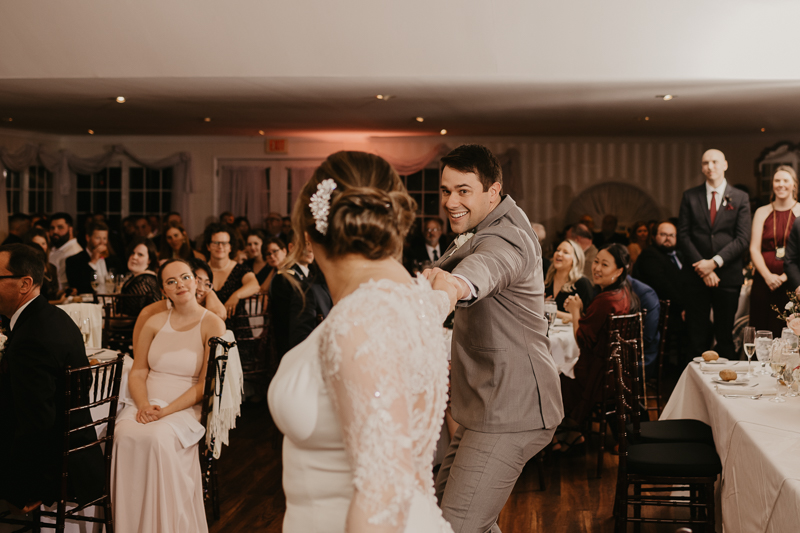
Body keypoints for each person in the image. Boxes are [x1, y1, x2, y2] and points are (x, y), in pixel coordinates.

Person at [268, 150, 455, 532]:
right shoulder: (413, 301)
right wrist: (446, 294)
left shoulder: (361, 320)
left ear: (308, 233)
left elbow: (383, 490)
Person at [426, 144, 563, 533]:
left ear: (493, 190)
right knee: (442, 518)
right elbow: (446, 267)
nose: (451, 201)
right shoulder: (484, 223)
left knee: (457, 527)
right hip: (487, 405)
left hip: (512, 408)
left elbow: (479, 271)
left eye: (463, 191)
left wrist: (450, 288)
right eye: (446, 190)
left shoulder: (508, 238)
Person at [111, 259, 225, 533]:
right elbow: (138, 371)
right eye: (171, 282)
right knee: (122, 435)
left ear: (196, 281)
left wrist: (167, 410)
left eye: (185, 277)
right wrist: (143, 405)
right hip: (146, 401)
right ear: (163, 290)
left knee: (157, 437)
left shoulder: (212, 324)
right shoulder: (154, 321)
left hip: (185, 406)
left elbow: (204, 385)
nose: (180, 285)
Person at [0, 244, 104, 512]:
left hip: (52, 469)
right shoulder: (54, 316)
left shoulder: (30, 339)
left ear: (25, 284)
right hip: (78, 453)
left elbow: (37, 421)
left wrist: (33, 487)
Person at [560, 244, 638, 448]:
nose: (597, 268)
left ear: (619, 270)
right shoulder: (624, 293)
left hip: (596, 376)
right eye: (596, 262)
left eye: (605, 264)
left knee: (551, 376)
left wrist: (576, 310)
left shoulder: (606, 300)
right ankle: (571, 431)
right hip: (615, 371)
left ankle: (563, 431)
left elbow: (581, 339)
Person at [678, 149, 751, 361]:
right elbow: (683, 235)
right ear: (702, 167)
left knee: (725, 337)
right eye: (705, 163)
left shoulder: (740, 197)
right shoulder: (690, 196)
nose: (710, 166)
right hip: (695, 276)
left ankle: (724, 389)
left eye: (715, 162)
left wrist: (714, 263)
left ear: (725, 165)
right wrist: (703, 267)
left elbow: (742, 239)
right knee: (696, 337)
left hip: (727, 277)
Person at [749, 166, 800, 337]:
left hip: (793, 281)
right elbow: (754, 248)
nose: (781, 184)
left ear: (794, 185)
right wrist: (768, 276)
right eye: (777, 180)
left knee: (788, 328)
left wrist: (786, 276)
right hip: (764, 282)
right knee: (761, 325)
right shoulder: (761, 211)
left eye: (786, 180)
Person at [269, 239, 332, 359]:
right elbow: (286, 322)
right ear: (291, 247)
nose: (310, 249)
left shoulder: (311, 275)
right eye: (305, 244)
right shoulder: (285, 278)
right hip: (292, 346)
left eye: (312, 244)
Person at [203, 223, 260, 319]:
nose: (220, 247)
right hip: (208, 325)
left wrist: (236, 296)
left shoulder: (240, 269)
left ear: (230, 247)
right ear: (208, 246)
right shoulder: (201, 270)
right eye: (215, 243)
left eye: (224, 243)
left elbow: (254, 285)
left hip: (237, 326)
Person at [66, 222, 123, 295]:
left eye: (104, 238)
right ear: (88, 238)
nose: (102, 242)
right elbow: (80, 288)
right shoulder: (73, 261)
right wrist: (93, 262)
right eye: (98, 238)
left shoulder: (114, 261)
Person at [544, 239, 593, 322]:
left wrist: (550, 311)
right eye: (558, 250)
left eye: (565, 252)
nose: (559, 254)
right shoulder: (548, 280)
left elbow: (586, 318)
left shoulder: (582, 283)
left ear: (575, 259)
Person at [120, 237, 162, 316]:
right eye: (132, 253)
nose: (134, 257)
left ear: (149, 260)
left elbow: (129, 318)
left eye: (140, 255)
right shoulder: (141, 278)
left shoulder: (143, 281)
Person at [22, 227, 62, 303]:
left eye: (43, 243)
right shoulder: (28, 271)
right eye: (37, 244)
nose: (41, 247)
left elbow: (53, 293)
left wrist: (64, 292)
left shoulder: (52, 267)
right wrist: (59, 301)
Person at [48, 212, 83, 291]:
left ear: (70, 229)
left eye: (60, 227)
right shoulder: (54, 248)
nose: (55, 231)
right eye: (52, 228)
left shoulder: (75, 252)